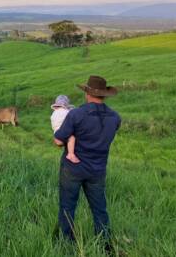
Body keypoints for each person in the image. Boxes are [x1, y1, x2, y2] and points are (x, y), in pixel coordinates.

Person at [54, 75, 121, 250]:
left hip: (73, 168)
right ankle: (105, 245)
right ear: (104, 95)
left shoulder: (76, 114)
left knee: (68, 206)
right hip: (97, 170)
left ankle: (67, 244)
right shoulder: (115, 117)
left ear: (87, 93)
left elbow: (58, 141)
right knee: (100, 208)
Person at [51, 95, 79, 163]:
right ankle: (71, 154)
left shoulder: (54, 113)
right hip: (63, 131)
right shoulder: (65, 112)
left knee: (65, 140)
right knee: (72, 138)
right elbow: (70, 118)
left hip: (56, 132)